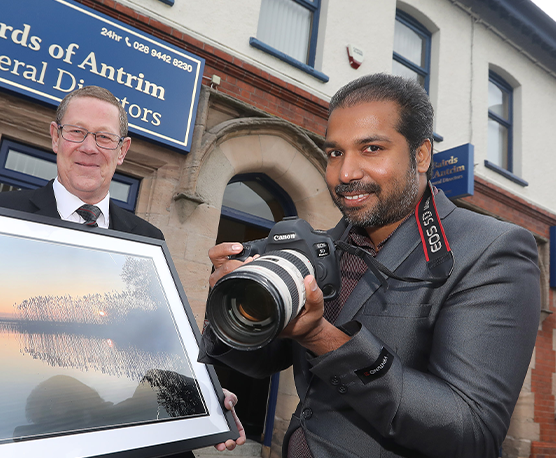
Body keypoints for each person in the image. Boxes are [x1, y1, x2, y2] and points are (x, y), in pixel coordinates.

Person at [0, 85, 245, 455]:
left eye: (104, 137)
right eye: (77, 132)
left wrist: (203, 395)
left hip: (130, 436)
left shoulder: (147, 240)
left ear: (123, 150)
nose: (89, 147)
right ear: (55, 136)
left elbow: (155, 345)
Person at [199, 73, 540, 457]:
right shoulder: (327, 245)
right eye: (335, 153)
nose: (346, 173)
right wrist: (238, 305)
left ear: (421, 154)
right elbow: (266, 361)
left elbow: (470, 431)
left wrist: (321, 337)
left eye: (372, 149)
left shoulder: (491, 249)